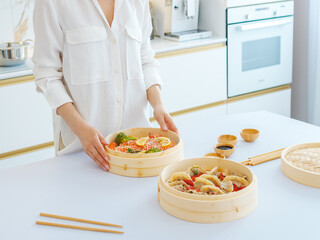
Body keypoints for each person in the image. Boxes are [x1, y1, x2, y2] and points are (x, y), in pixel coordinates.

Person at [32, 0, 178, 171]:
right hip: (82, 151)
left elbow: (145, 59)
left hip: (137, 151)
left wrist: (158, 105)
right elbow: (47, 75)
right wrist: (81, 129)